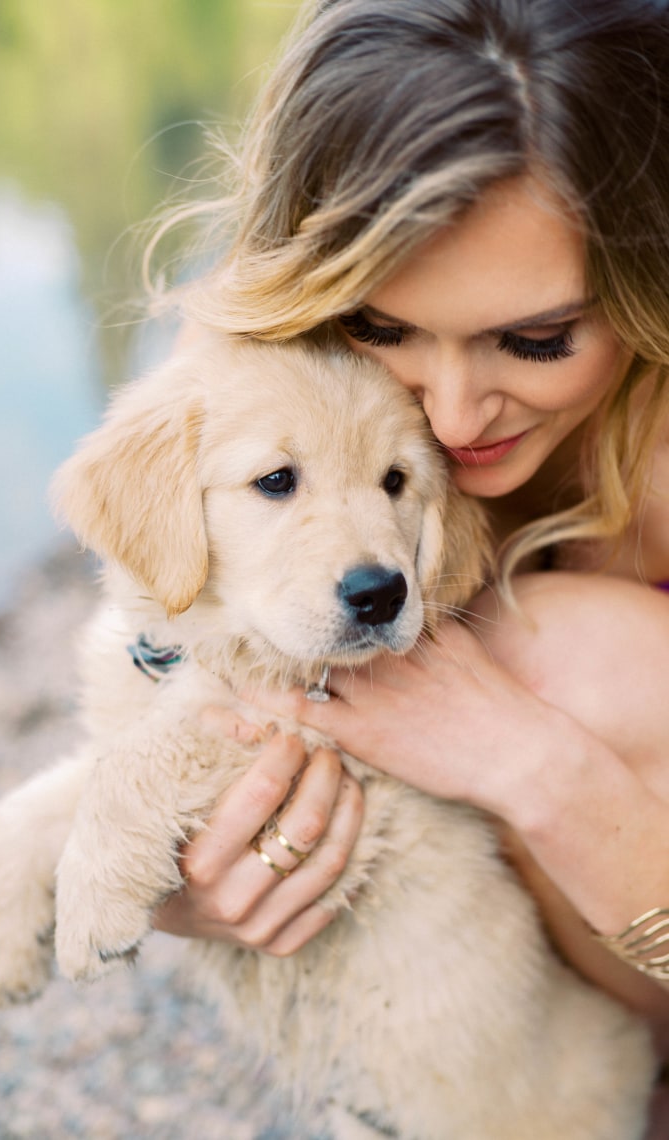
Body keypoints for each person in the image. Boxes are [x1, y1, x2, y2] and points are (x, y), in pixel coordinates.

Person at [146, 0, 669, 1124]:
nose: (450, 408)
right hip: (494, 993)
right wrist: (185, 877)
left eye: (534, 340)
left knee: (560, 658)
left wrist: (538, 766)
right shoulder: (269, 343)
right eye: (383, 330)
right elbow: (150, 646)